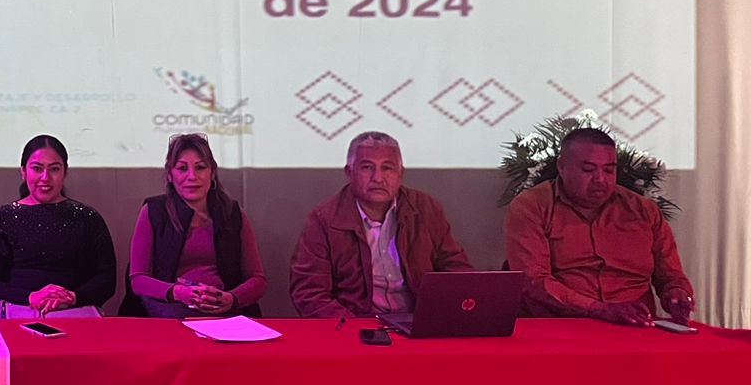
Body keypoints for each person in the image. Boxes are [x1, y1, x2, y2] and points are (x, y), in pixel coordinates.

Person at [505, 127, 694, 326]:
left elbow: (672, 276)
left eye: (609, 170)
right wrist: (598, 309)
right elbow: (534, 281)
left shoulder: (643, 210)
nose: (600, 180)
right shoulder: (533, 205)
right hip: (562, 324)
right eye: (588, 170)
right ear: (562, 166)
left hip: (634, 324)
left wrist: (677, 293)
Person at [290, 131, 472, 318]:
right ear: (349, 173)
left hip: (419, 321)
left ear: (400, 174)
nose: (377, 178)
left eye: (387, 168)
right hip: (357, 323)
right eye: (367, 167)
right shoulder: (324, 219)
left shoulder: (426, 209)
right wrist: (354, 327)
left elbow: (456, 270)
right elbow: (310, 293)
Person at [0, 135, 116, 316]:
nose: (45, 178)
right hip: (17, 312)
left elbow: (106, 280)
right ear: (23, 172)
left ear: (65, 172)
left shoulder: (87, 218)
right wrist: (30, 297)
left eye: (54, 169)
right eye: (37, 169)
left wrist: (72, 297)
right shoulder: (4, 218)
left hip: (74, 312)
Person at [124, 133, 264, 318]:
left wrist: (231, 298)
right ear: (170, 175)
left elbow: (257, 280)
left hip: (225, 312)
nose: (192, 176)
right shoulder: (153, 211)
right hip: (170, 311)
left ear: (212, 173)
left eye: (200, 167)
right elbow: (138, 280)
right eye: (182, 168)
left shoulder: (233, 213)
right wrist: (178, 293)